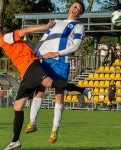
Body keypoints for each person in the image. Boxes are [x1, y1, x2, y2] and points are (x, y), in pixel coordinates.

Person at [0, 20, 88, 150]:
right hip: (27, 73)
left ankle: (82, 90)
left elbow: (26, 30)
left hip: (32, 67)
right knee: (18, 106)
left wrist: (45, 27)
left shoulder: (6, 37)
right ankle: (15, 141)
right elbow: (27, 46)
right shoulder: (7, 43)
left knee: (49, 83)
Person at [25, 0, 86, 144]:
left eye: (78, 8)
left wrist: (57, 53)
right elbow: (43, 39)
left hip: (61, 61)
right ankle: (32, 122)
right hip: (46, 60)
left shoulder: (79, 26)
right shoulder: (56, 22)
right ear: (70, 7)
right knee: (39, 90)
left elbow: (75, 46)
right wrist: (35, 52)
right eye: (74, 6)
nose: (75, 9)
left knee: (59, 96)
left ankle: (54, 130)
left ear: (80, 13)